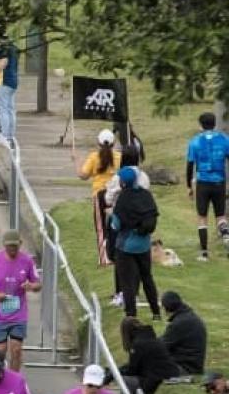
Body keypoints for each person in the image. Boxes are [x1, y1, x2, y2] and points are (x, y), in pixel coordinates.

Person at [0, 231, 40, 372]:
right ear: (4, 245)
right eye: (9, 246)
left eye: (15, 246)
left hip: (18, 313)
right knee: (0, 351)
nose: (12, 249)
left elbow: (38, 284)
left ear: (20, 244)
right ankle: (0, 376)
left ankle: (15, 381)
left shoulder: (27, 261)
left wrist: (31, 286)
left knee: (16, 349)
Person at [109, 166, 161, 319]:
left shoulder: (122, 199)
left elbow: (116, 225)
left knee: (127, 283)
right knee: (147, 278)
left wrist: (111, 216)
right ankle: (156, 312)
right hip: (144, 245)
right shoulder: (147, 195)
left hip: (126, 247)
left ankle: (131, 315)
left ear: (123, 182)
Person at [72, 129, 120, 268]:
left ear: (98, 143)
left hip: (100, 194)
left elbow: (83, 175)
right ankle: (116, 255)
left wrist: (76, 161)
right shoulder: (119, 157)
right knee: (116, 225)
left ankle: (104, 258)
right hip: (116, 194)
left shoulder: (94, 157)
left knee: (101, 228)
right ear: (114, 143)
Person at [116, 317, 179, 394]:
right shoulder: (150, 337)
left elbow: (132, 370)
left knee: (126, 380)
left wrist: (119, 373)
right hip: (167, 373)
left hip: (156, 377)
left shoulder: (137, 344)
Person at [187, 112, 229, 261]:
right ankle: (226, 237)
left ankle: (204, 253)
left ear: (200, 125)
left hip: (203, 183)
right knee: (221, 216)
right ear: (215, 123)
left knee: (202, 218)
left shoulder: (195, 142)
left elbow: (190, 165)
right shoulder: (224, 140)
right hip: (219, 181)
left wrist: (189, 186)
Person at [161, 290, 207, 375]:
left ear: (166, 308)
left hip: (186, 367)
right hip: (194, 365)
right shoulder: (188, 316)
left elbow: (162, 346)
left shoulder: (179, 323)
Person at [0, 37, 18, 142]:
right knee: (10, 109)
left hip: (3, 81)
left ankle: (4, 136)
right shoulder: (14, 47)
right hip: (13, 81)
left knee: (3, 110)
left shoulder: (3, 49)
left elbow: (3, 62)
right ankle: (11, 135)